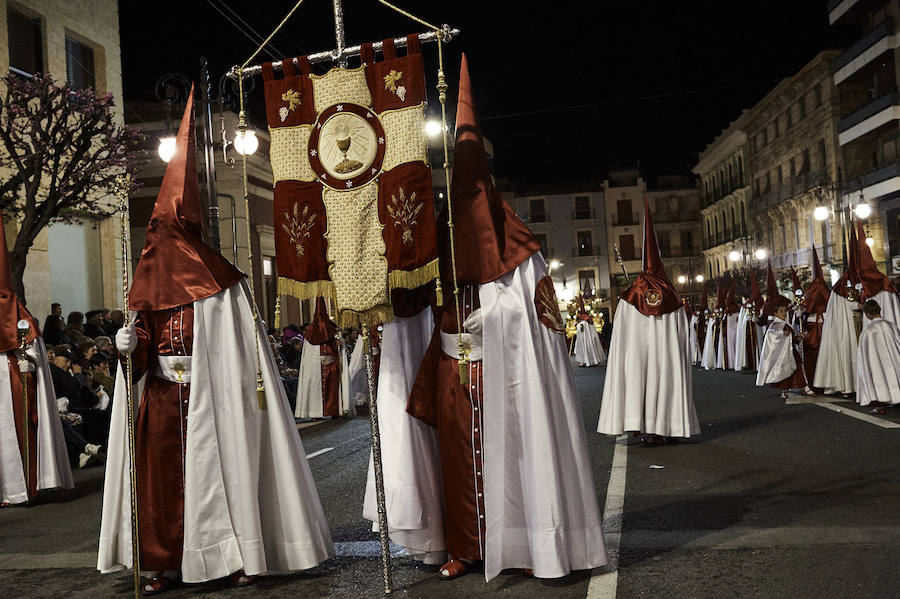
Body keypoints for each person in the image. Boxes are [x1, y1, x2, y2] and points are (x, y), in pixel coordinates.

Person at [98, 87, 333, 593]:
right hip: (161, 399)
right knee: (160, 484)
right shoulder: (145, 282)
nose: (156, 240)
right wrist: (128, 345)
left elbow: (237, 351)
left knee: (224, 480)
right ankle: (164, 562)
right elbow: (142, 344)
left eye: (165, 229)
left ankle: (237, 554)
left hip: (215, 399)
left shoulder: (219, 282)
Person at [399, 55, 608, 581]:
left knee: (513, 460)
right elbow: (415, 297)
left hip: (506, 374)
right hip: (451, 375)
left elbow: (537, 327)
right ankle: (462, 547)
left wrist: (494, 322)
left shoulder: (519, 251)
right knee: (457, 463)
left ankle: (521, 543)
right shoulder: (439, 243)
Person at [598, 199, 700, 444]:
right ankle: (670, 426)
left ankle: (642, 425)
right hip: (665, 355)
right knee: (667, 378)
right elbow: (680, 333)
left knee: (639, 377)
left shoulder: (631, 295)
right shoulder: (672, 295)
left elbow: (622, 333)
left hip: (637, 354)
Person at [0, 212, 73, 503]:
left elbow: (30, 348)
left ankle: (20, 488)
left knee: (14, 432)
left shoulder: (20, 317)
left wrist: (27, 359)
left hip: (11, 381)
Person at [814, 224, 863, 395]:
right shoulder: (843, 286)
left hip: (858, 323)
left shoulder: (849, 282)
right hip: (846, 327)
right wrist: (859, 305)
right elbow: (847, 302)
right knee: (848, 351)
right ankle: (849, 385)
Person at [294, 298, 352, 419]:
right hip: (316, 365)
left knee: (332, 389)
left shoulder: (333, 330)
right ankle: (315, 412)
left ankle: (334, 410)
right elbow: (308, 355)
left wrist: (339, 345)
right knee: (315, 388)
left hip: (331, 364)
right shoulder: (310, 332)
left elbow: (339, 348)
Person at [757, 304, 815, 399]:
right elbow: (772, 335)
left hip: (791, 351)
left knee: (797, 370)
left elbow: (791, 338)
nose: (783, 313)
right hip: (782, 353)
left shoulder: (786, 325)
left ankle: (805, 387)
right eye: (781, 311)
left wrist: (799, 337)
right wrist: (782, 334)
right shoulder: (774, 325)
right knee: (785, 371)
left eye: (784, 311)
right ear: (775, 314)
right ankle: (785, 390)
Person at [856, 299, 900, 411]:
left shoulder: (868, 331)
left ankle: (882, 396)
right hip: (895, 360)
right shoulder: (892, 326)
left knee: (879, 375)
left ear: (867, 314)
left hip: (877, 363)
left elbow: (863, 358)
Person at [799, 247, 829, 393]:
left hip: (819, 329)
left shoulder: (814, 290)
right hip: (815, 330)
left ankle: (819, 382)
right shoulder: (819, 290)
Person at [734, 268, 764, 372]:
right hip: (748, 329)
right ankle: (750, 363)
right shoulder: (746, 306)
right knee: (750, 346)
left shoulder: (761, 304)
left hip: (758, 328)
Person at [574, 296, 606, 367]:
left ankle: (592, 360)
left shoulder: (588, 320)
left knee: (589, 346)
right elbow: (577, 325)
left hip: (588, 337)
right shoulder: (580, 321)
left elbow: (591, 324)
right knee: (582, 348)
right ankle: (583, 361)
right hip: (581, 338)